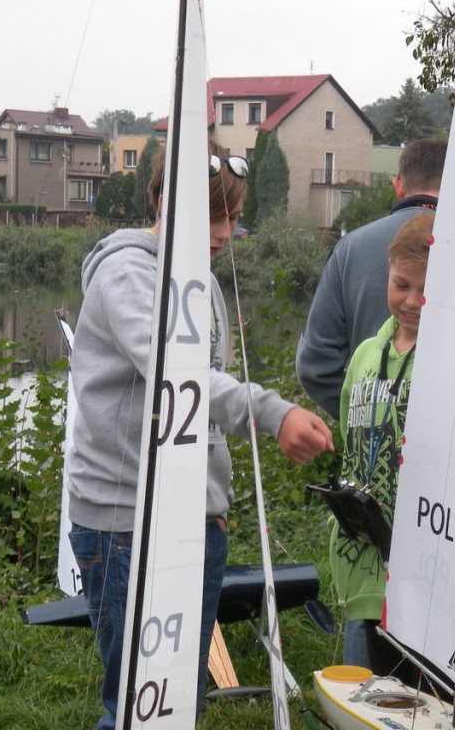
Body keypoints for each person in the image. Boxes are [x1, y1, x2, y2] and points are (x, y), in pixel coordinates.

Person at [65, 139, 334, 730]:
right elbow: (176, 374)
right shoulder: (126, 274)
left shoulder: (203, 285)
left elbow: (207, 396)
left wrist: (214, 506)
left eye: (234, 217)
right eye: (213, 215)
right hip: (124, 525)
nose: (225, 232)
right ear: (161, 200)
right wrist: (271, 411)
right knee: (137, 699)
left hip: (196, 521)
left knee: (182, 697)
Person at [328, 211, 455, 684]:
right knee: (371, 706)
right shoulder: (365, 358)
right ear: (386, 273)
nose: (412, 301)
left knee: (424, 707)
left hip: (427, 587)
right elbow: (353, 453)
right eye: (401, 285)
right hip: (365, 578)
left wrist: (422, 537)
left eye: (427, 290)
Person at [296, 138, 455, 444]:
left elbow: (314, 365)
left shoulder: (348, 250)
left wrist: (368, 418)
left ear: (398, 187)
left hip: (372, 459)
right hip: (452, 458)